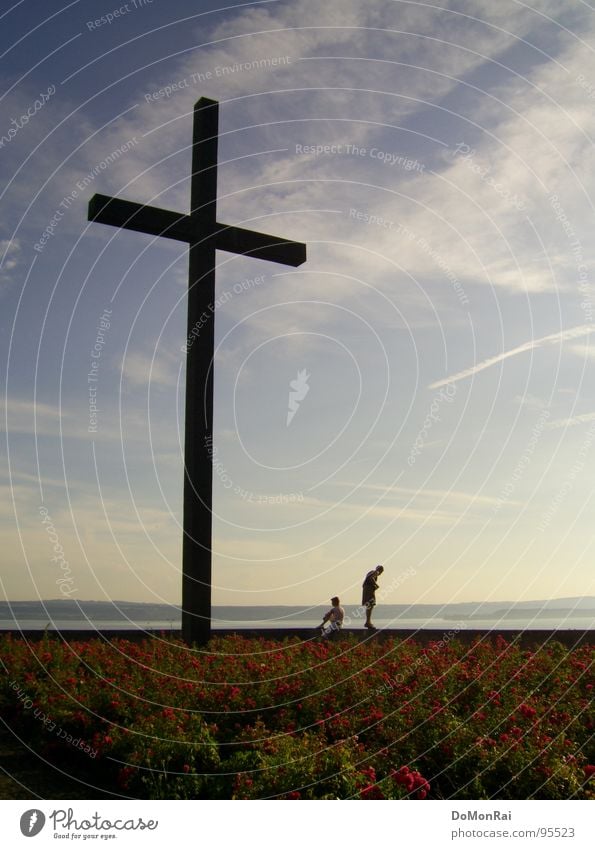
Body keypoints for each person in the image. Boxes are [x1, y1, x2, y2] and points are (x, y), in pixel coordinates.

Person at [362, 565, 384, 630]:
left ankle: (368, 621)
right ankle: (368, 622)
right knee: (370, 605)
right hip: (369, 590)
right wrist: (376, 585)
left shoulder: (371, 572)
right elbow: (371, 578)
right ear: (381, 570)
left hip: (366, 589)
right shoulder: (376, 572)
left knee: (369, 606)